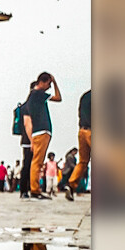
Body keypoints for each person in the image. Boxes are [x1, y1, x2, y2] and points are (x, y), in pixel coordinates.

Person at [22, 71, 63, 200]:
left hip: (40, 132)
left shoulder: (34, 96)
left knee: (37, 162)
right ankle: (35, 190)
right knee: (37, 162)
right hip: (41, 131)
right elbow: (58, 98)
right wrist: (55, 82)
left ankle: (35, 189)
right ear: (43, 82)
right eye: (49, 84)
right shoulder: (37, 94)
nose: (49, 87)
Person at [65, 89, 91, 201]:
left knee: (83, 161)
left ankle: (71, 185)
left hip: (82, 131)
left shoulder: (85, 96)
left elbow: (79, 114)